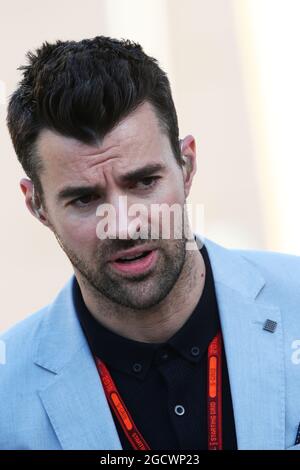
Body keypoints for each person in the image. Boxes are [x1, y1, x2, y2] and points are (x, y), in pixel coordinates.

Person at [1, 35, 300, 451]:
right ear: (37, 205)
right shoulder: (6, 397)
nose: (123, 225)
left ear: (187, 166)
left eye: (144, 182)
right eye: (85, 199)